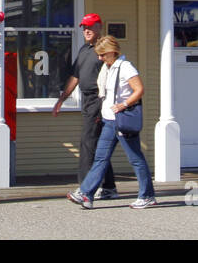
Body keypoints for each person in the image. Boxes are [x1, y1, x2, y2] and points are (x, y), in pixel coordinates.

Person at [67, 36, 156, 209]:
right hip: (109, 120)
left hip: (122, 120)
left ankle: (147, 196)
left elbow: (139, 90)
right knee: (100, 158)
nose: (100, 58)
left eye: (102, 55)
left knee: (135, 158)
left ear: (111, 52)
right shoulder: (108, 68)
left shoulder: (125, 67)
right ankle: (86, 194)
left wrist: (124, 104)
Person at [52, 13, 117, 198]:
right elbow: (75, 76)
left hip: (99, 100)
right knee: (96, 144)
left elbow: (115, 73)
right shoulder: (83, 50)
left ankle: (86, 188)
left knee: (88, 143)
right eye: (84, 27)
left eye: (90, 26)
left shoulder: (104, 49)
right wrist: (61, 100)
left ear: (99, 27)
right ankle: (109, 187)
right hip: (87, 100)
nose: (86, 30)